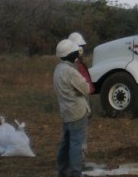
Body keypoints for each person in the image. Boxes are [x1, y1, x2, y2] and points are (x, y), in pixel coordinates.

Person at [54, 39, 91, 177]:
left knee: (65, 144)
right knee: (76, 145)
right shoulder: (71, 72)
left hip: (65, 113)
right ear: (70, 54)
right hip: (77, 112)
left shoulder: (58, 69)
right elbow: (86, 89)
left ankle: (62, 172)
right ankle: (76, 173)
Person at [68, 31, 93, 160]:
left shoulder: (72, 64)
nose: (81, 49)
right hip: (79, 103)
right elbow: (82, 87)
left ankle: (77, 159)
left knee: (77, 133)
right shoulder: (74, 65)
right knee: (80, 134)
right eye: (80, 46)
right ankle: (79, 161)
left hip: (77, 102)